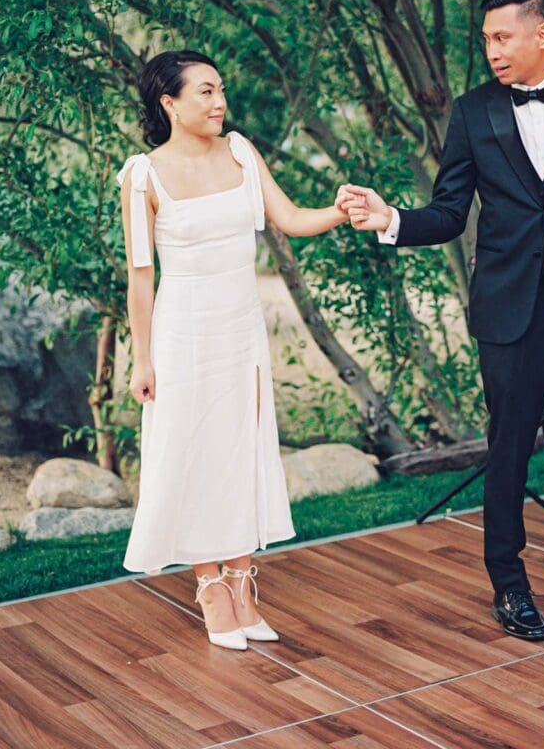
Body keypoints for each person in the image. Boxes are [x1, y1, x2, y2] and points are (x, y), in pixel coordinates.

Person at [340, 0, 544, 641]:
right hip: (509, 313)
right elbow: (450, 212)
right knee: (508, 453)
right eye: (486, 40)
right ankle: (510, 590)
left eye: (502, 37)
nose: (492, 51)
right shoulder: (473, 114)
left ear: (541, 35)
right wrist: (391, 219)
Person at [117, 50, 354, 650]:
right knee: (192, 453)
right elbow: (140, 277)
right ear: (168, 103)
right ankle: (210, 587)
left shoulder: (242, 152)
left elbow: (292, 219)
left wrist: (343, 212)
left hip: (241, 329)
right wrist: (142, 359)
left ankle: (244, 582)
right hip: (182, 332)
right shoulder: (142, 175)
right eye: (205, 92)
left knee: (241, 450)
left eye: (221, 89)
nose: (220, 101)